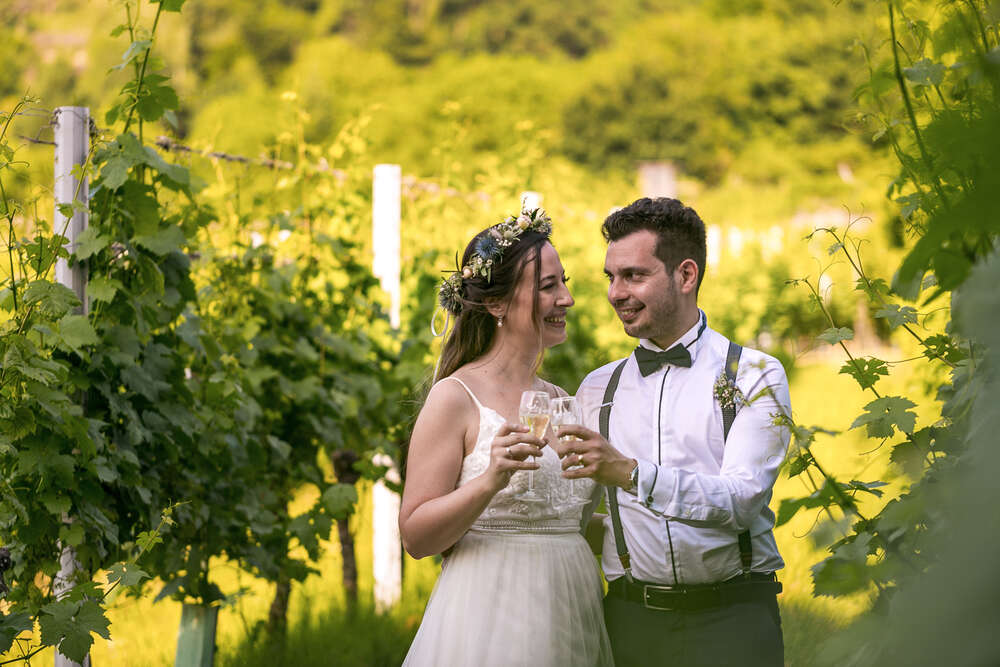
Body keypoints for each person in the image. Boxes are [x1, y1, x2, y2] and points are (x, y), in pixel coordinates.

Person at [554, 197, 791, 667]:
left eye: (634, 276)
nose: (615, 293)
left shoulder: (754, 374)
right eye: (611, 277)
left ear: (686, 276)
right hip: (630, 622)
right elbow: (572, 515)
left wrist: (628, 473)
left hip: (734, 621)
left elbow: (742, 501)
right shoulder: (598, 387)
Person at [399, 205, 614, 666]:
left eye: (565, 282)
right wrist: (489, 480)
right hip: (490, 617)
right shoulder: (454, 398)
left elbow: (561, 523)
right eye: (548, 286)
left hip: (571, 613)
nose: (567, 300)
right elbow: (416, 537)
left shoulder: (561, 399)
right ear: (496, 304)